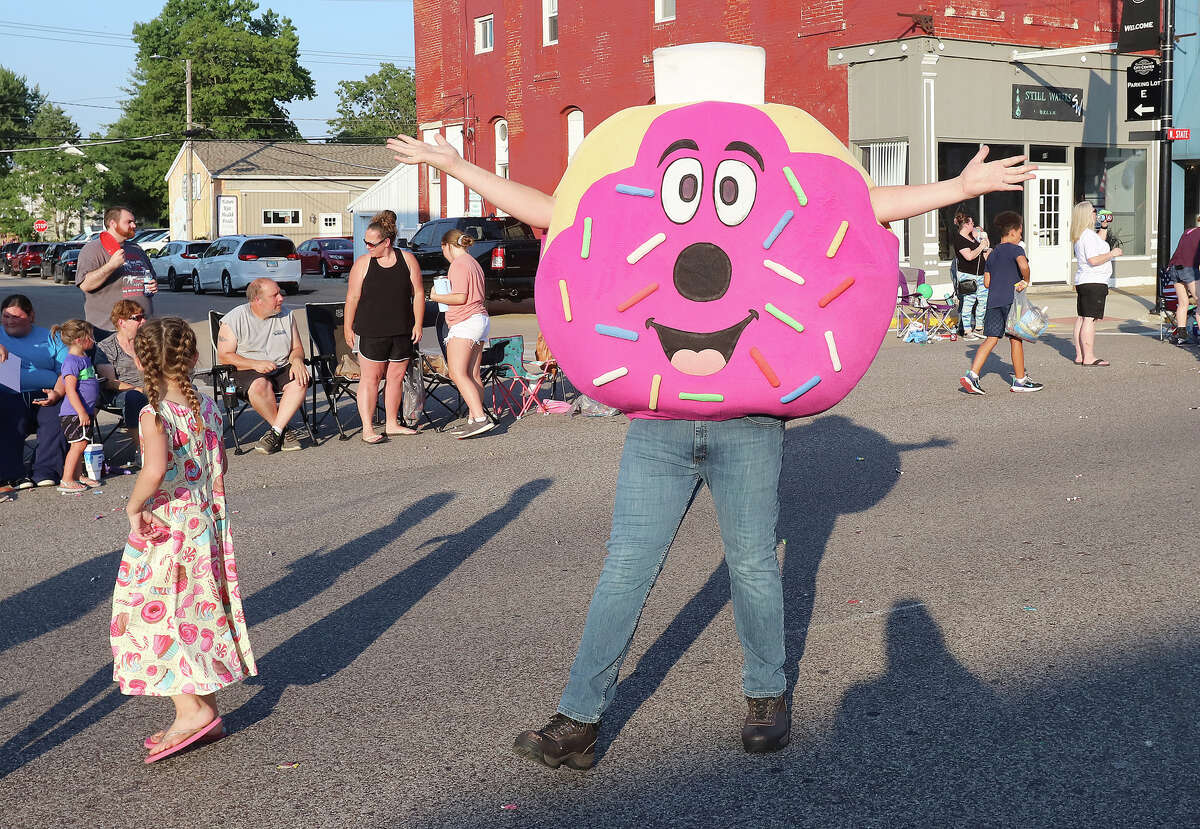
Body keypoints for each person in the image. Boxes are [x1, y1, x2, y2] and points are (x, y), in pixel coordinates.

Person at [389, 122, 1034, 768]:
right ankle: (579, 718)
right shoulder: (645, 201)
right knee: (625, 568)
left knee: (752, 561)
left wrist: (959, 187)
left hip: (748, 420)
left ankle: (766, 695)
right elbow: (556, 210)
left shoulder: (765, 194)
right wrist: (458, 166)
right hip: (659, 419)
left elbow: (860, 206)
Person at [111, 317, 257, 763]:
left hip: (170, 529)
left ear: (141, 359)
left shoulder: (155, 413)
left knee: (154, 617)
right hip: (205, 526)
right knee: (196, 609)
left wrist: (134, 507)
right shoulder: (204, 405)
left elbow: (154, 472)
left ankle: (190, 710)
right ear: (193, 357)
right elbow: (222, 468)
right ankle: (204, 704)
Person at [343, 209, 424, 443]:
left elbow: (418, 293)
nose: (367, 246)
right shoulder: (363, 264)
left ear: (386, 242)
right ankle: (367, 428)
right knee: (370, 379)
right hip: (371, 330)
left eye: (371, 243)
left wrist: (418, 323)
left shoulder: (407, 260)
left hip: (401, 330)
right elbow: (352, 298)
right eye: (365, 242)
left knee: (396, 377)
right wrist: (348, 327)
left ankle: (392, 423)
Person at [216, 278, 310, 454]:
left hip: (281, 365)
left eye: (280, 293)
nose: (281, 298)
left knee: (301, 380)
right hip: (246, 369)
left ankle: (275, 432)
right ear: (257, 300)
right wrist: (255, 364)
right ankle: (284, 431)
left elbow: (296, 348)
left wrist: (297, 360)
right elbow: (224, 356)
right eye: (274, 295)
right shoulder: (235, 318)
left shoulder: (287, 315)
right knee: (260, 385)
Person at [960, 212, 1043, 394]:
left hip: (993, 302)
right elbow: (1024, 266)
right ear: (1013, 232)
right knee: (1016, 338)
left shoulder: (993, 253)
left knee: (991, 339)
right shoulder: (1016, 249)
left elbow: (987, 282)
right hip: (1012, 301)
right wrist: (1025, 280)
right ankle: (1020, 381)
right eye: (1020, 233)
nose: (1020, 237)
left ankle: (972, 376)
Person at [430, 228, 494, 439]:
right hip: (479, 319)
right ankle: (473, 419)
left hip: (466, 321)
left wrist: (436, 296)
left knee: (457, 373)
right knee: (473, 374)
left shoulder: (458, 265)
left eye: (443, 250)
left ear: (446, 246)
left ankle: (480, 418)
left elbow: (459, 297)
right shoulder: (473, 263)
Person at [0, 294, 68, 492]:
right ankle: (13, 474)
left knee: (56, 415)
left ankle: (46, 471)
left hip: (46, 392)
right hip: (9, 392)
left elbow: (65, 371)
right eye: (6, 317)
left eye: (16, 317)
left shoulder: (51, 336)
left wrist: (57, 392)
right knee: (11, 416)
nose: (10, 321)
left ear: (31, 316)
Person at [75, 205, 157, 340]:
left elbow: (150, 277)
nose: (134, 225)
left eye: (134, 221)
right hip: (108, 332)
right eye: (128, 222)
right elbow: (85, 284)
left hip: (143, 329)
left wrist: (153, 285)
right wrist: (111, 266)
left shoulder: (136, 249)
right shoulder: (92, 249)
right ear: (113, 223)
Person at [51, 320, 102, 493]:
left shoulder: (84, 358)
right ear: (78, 340)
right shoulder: (71, 361)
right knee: (78, 445)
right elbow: (70, 390)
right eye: (90, 337)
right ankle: (66, 480)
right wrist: (81, 412)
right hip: (74, 413)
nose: (93, 340)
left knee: (83, 443)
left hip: (83, 411)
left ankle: (78, 475)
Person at [1069, 200, 1121, 366]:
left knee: (1083, 317)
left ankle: (1080, 355)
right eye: (1093, 211)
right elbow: (1093, 259)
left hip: (1084, 280)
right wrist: (1112, 253)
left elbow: (1098, 243)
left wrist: (1104, 227)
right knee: (1090, 319)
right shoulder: (1088, 236)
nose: (1096, 214)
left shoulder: (1083, 234)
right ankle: (1089, 356)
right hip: (1094, 281)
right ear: (1086, 215)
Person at [95, 300, 150, 431]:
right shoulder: (106, 347)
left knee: (187, 389)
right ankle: (141, 447)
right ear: (122, 322)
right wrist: (139, 390)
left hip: (151, 388)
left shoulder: (148, 342)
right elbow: (110, 383)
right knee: (134, 397)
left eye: (143, 316)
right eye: (138, 318)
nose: (143, 321)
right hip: (122, 393)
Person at [951, 211, 989, 339]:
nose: (974, 225)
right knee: (969, 302)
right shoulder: (959, 239)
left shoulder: (972, 237)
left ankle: (979, 327)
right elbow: (969, 256)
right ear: (966, 224)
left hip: (980, 274)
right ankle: (967, 330)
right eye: (972, 223)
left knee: (983, 301)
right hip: (967, 275)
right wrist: (980, 247)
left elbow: (981, 251)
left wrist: (985, 243)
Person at [1166, 214, 1200, 345]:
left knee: (1183, 303)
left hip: (1174, 268)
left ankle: (1181, 335)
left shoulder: (1188, 231)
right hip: (1189, 269)